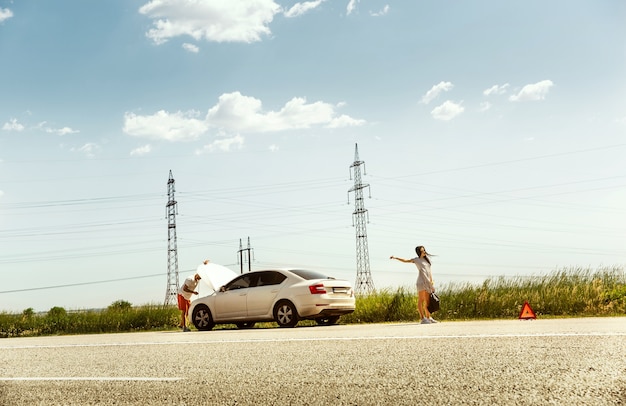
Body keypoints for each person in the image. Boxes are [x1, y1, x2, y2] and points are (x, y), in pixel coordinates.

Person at [390, 246, 437, 324]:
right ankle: (422, 318)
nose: (424, 252)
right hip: (421, 282)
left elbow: (429, 272)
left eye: (424, 250)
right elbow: (405, 261)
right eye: (422, 251)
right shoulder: (416, 260)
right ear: (419, 252)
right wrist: (395, 258)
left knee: (428, 301)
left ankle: (429, 317)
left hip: (428, 282)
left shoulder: (427, 260)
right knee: (421, 300)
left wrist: (431, 282)